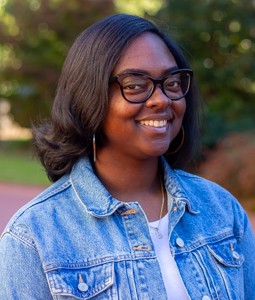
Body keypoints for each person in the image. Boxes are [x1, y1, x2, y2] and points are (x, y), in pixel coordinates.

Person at [0, 14, 254, 300]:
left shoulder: (222, 211)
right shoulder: (34, 237)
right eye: (135, 85)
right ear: (89, 97)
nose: (161, 99)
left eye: (171, 82)